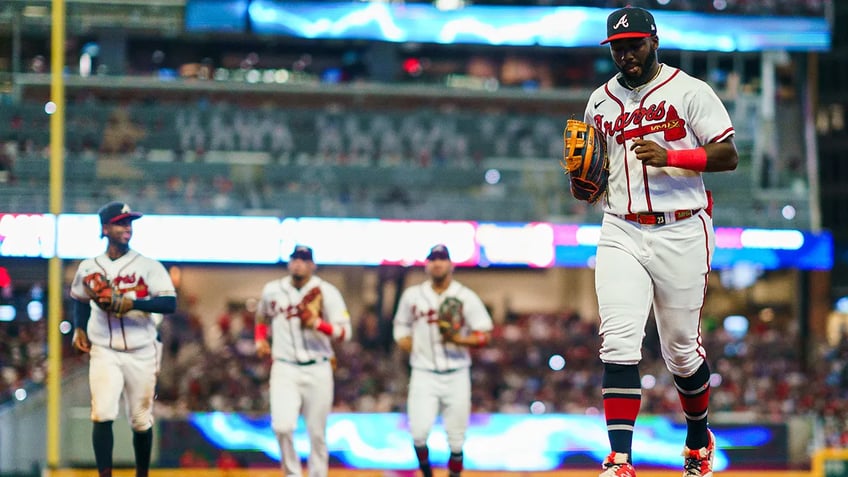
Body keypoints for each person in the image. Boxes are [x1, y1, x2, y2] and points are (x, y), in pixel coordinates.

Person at [584, 6, 739, 477]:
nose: (626, 53)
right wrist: (583, 181)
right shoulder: (599, 102)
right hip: (621, 228)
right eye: (618, 47)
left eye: (634, 44)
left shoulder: (691, 91)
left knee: (680, 351)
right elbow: (594, 171)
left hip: (681, 227)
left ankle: (696, 440)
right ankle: (620, 459)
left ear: (654, 40)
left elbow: (728, 154)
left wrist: (674, 155)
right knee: (618, 342)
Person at [70, 201, 177, 477]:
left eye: (129, 223)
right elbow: (80, 300)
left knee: (140, 420)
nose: (127, 228)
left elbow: (169, 303)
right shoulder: (89, 267)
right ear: (105, 228)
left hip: (142, 350)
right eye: (120, 223)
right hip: (104, 349)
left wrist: (133, 303)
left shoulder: (148, 266)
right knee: (102, 413)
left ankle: (142, 474)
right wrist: (79, 328)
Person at [393, 244, 494, 477]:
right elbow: (400, 326)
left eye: (442, 258)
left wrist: (460, 339)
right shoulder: (413, 295)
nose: (437, 263)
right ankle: (427, 473)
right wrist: (403, 340)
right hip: (423, 373)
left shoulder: (465, 296)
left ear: (451, 265)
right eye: (433, 259)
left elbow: (484, 333)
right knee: (418, 434)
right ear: (427, 265)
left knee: (457, 441)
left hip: (457, 373)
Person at [254, 245, 352, 477]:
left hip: (318, 366)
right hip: (284, 367)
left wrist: (318, 324)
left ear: (312, 265)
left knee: (317, 433)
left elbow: (345, 334)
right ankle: (292, 473)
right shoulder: (272, 290)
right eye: (295, 258)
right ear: (289, 263)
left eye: (304, 259)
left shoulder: (327, 292)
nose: (298, 263)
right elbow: (261, 316)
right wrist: (260, 339)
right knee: (282, 427)